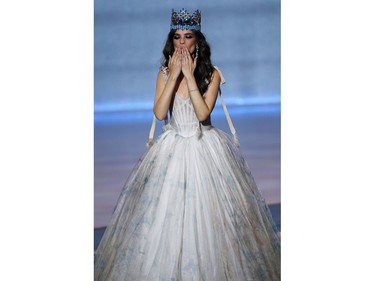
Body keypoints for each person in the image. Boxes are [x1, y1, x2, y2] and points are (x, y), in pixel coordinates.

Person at [94, 8, 280, 281]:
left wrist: (190, 76)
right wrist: (173, 76)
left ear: (197, 41)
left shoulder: (212, 74)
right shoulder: (164, 72)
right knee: (165, 218)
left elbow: (204, 114)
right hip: (173, 149)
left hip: (205, 148)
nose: (182, 43)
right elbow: (159, 114)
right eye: (177, 37)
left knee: (208, 219)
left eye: (188, 36)